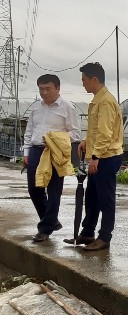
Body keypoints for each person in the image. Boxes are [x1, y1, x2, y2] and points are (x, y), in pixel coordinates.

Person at [68, 62, 124, 252]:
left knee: (105, 198)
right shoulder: (98, 100)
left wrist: (95, 157)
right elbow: (97, 129)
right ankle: (88, 232)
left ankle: (105, 237)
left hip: (106, 157)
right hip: (99, 155)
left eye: (84, 80)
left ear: (94, 79)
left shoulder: (106, 101)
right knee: (92, 196)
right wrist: (86, 141)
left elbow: (106, 133)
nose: (82, 83)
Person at [23, 74, 81, 243]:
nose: (44, 92)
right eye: (41, 89)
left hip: (56, 152)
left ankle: (45, 229)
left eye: (48, 89)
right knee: (34, 189)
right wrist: (26, 154)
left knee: (54, 190)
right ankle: (51, 220)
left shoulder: (67, 108)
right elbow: (29, 132)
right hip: (36, 151)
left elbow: (75, 133)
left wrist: (55, 138)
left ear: (57, 88)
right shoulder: (35, 108)